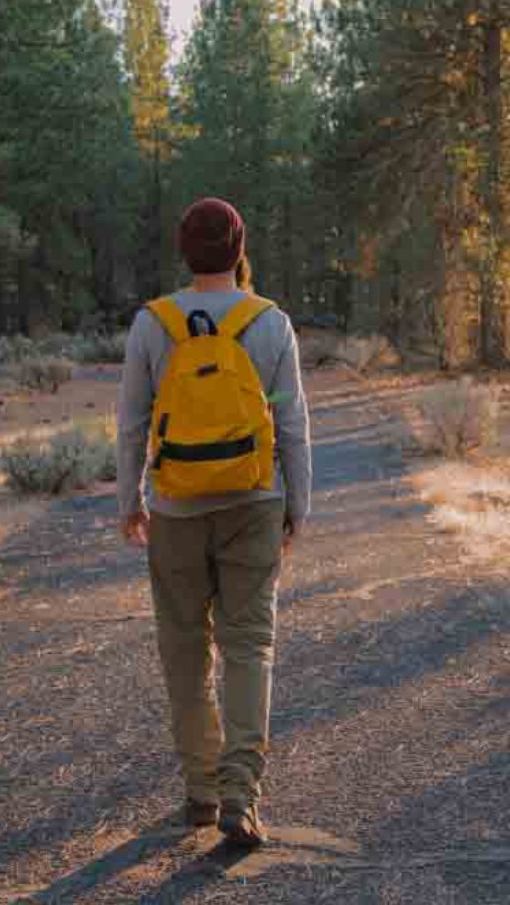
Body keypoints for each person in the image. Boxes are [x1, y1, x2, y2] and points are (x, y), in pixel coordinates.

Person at [116, 197, 312, 848]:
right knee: (248, 646)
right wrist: (297, 504)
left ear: (185, 251)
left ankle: (200, 790)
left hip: (174, 509)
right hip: (254, 502)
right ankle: (240, 795)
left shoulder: (153, 323)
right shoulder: (269, 322)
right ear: (238, 249)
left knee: (183, 649)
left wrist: (130, 501)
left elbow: (132, 423)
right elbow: (289, 421)